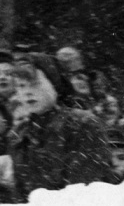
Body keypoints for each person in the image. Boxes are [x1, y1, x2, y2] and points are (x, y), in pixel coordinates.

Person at [9, 54, 112, 196]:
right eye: (21, 85)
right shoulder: (19, 136)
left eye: (35, 84)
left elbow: (84, 189)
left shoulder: (84, 125)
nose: (27, 92)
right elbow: (19, 196)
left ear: (54, 84)